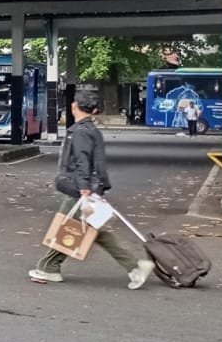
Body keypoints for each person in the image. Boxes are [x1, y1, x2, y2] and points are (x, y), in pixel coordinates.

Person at [30, 90, 154, 288]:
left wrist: (84, 188)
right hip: (88, 187)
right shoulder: (91, 130)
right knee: (90, 230)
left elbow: (81, 160)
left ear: (74, 106)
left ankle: (49, 268)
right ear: (94, 109)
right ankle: (134, 267)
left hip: (80, 188)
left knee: (67, 227)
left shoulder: (80, 132)